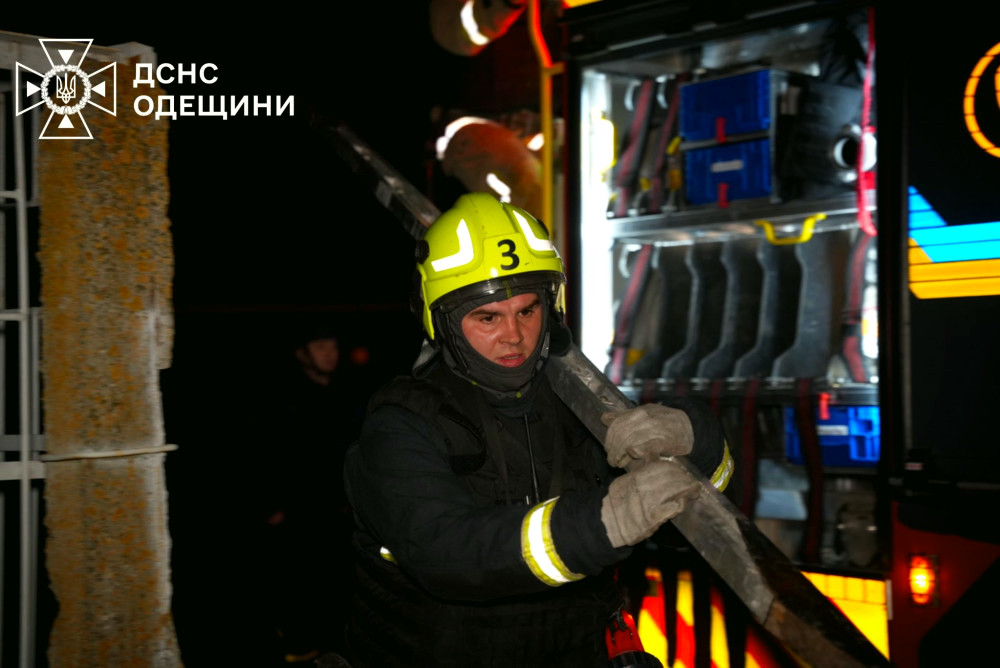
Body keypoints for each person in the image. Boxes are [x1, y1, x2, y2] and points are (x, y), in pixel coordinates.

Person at [341, 192, 733, 667]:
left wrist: (697, 439)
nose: (514, 335)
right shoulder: (400, 426)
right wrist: (603, 522)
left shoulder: (580, 404)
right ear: (441, 322)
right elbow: (447, 554)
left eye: (527, 310)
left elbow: (684, 528)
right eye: (488, 317)